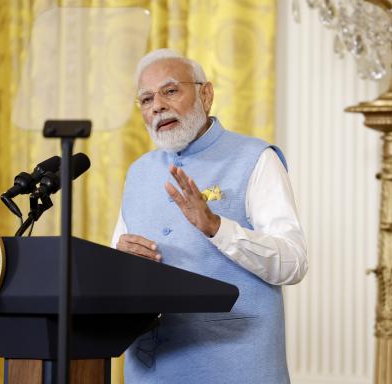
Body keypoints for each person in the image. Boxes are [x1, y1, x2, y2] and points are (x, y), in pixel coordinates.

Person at [112, 48, 308, 384]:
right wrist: (120, 261)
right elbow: (117, 269)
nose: (157, 105)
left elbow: (293, 262)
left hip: (237, 366)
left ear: (206, 94)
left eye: (170, 91)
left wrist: (217, 227)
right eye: (146, 99)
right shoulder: (138, 173)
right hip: (152, 369)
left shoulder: (255, 158)